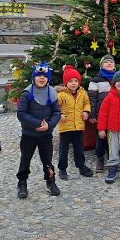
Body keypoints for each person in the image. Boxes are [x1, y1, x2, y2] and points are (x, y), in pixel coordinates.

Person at [16, 61, 62, 198]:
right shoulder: (27, 93)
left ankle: (50, 181)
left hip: (46, 135)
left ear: (48, 78)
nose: (42, 78)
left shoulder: (52, 93)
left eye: (45, 76)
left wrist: (50, 125)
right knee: (25, 159)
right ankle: (22, 182)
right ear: (34, 77)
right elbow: (21, 113)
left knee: (47, 159)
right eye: (39, 76)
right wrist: (37, 124)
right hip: (29, 135)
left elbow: (57, 113)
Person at [57, 65, 94, 180]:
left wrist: (86, 111)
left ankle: (81, 165)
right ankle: (62, 168)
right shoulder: (61, 95)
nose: (73, 83)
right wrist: (60, 114)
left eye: (76, 81)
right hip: (65, 127)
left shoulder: (83, 93)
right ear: (65, 83)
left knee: (79, 148)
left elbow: (87, 103)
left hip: (78, 126)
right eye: (71, 81)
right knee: (64, 149)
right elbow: (54, 107)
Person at [88, 54, 116, 172]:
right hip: (101, 115)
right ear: (101, 65)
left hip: (114, 114)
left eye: (111, 62)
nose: (109, 63)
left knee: (112, 138)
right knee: (101, 136)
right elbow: (92, 99)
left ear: (114, 66)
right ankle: (100, 158)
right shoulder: (95, 81)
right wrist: (92, 115)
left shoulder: (118, 79)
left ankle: (112, 159)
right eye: (106, 62)